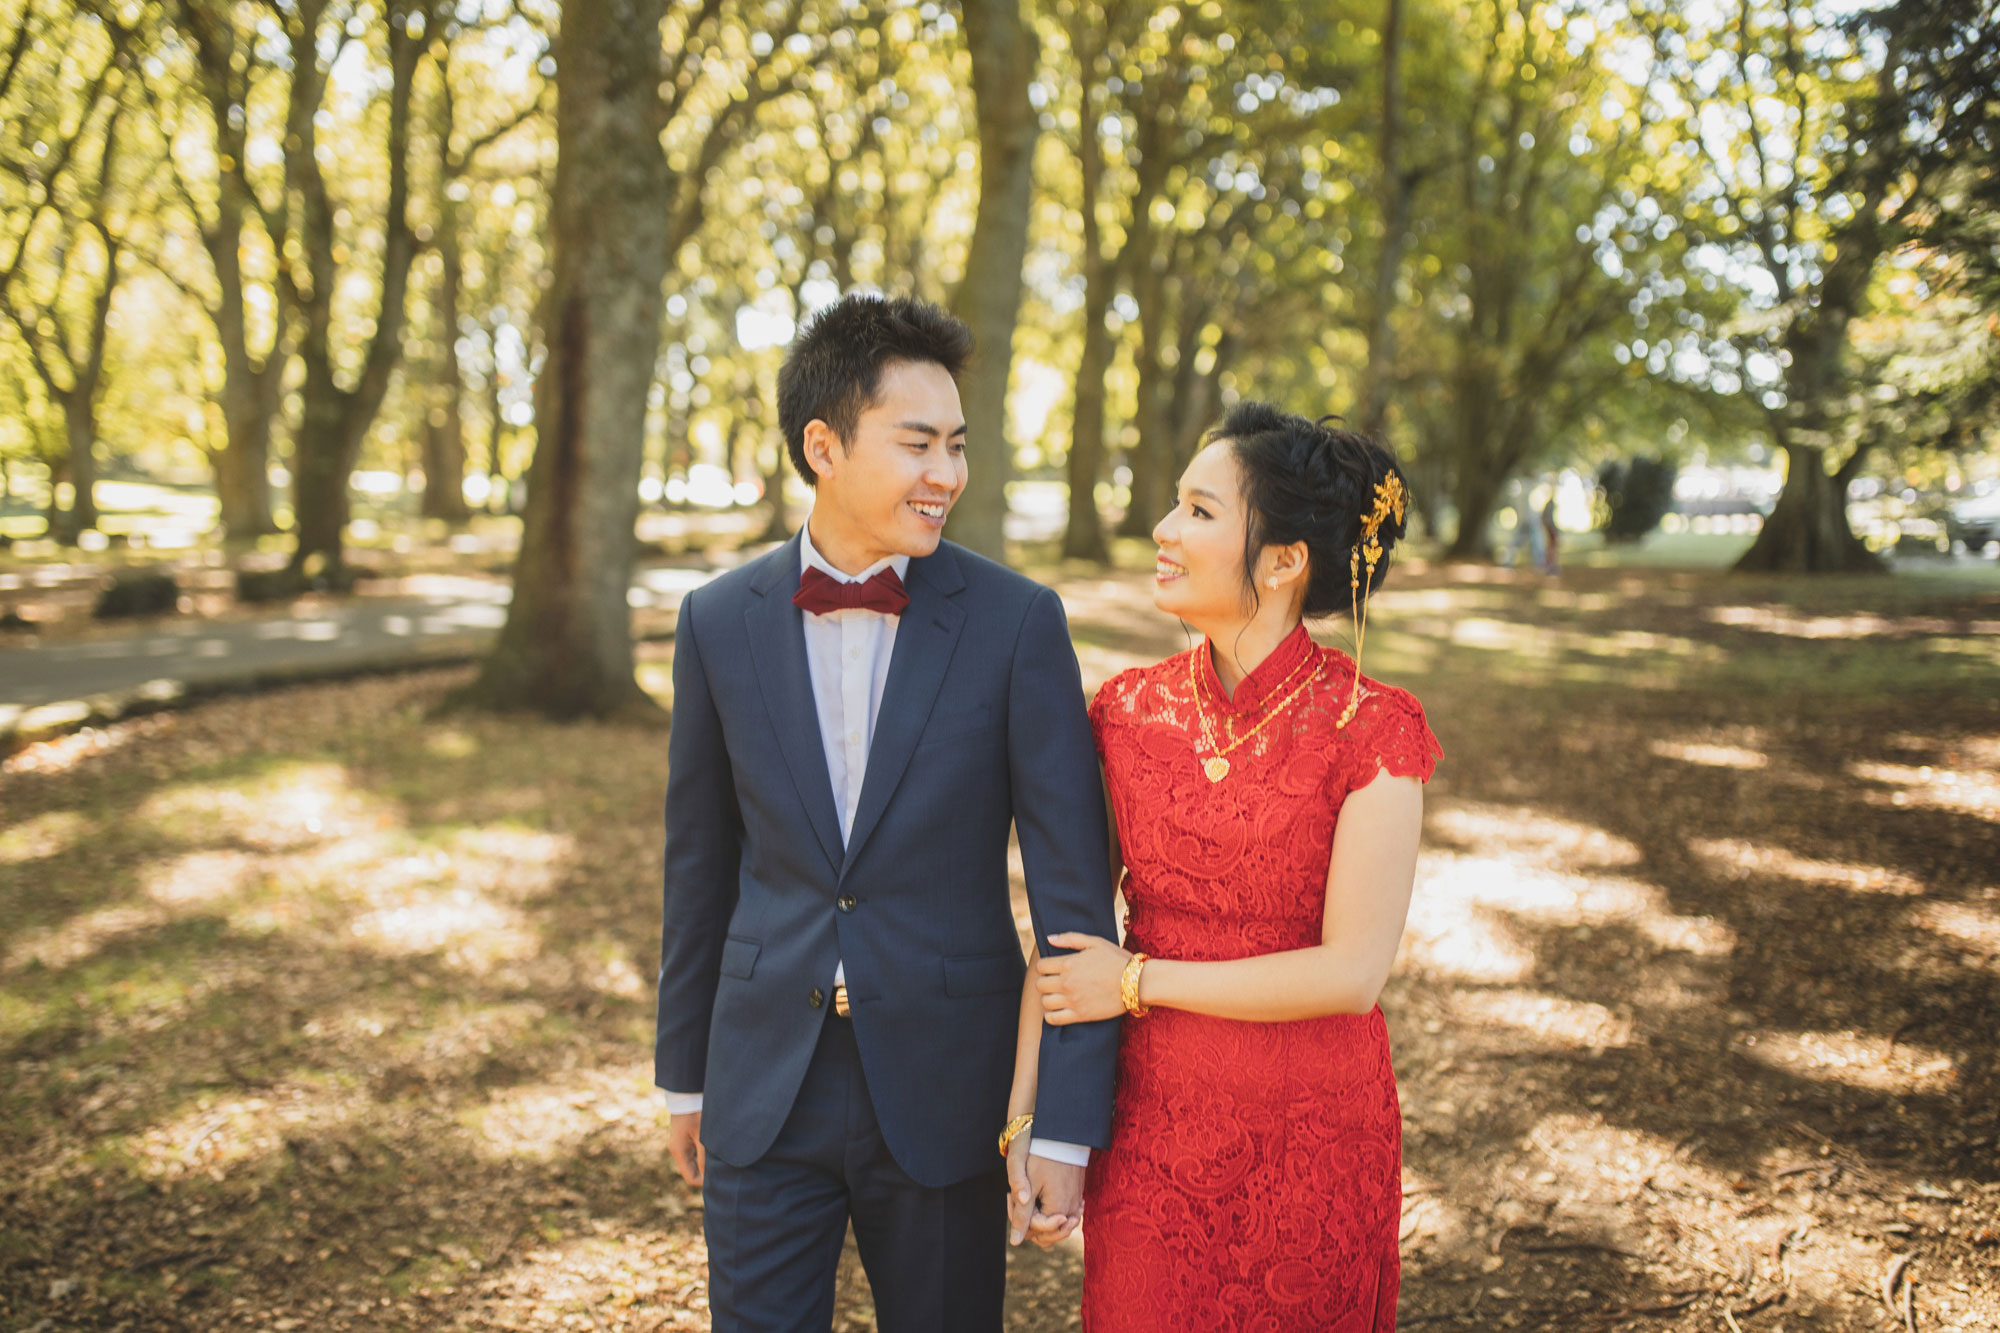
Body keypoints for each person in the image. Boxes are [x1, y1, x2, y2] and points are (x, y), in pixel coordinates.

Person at [654, 293, 1121, 1333]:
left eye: (956, 445)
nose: (946, 475)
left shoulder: (1016, 623)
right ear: (823, 445)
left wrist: (1065, 1127)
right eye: (917, 444)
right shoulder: (715, 621)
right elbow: (699, 866)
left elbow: (1072, 895)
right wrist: (682, 1073)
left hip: (949, 1090)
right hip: (760, 1081)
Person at [1014, 403, 1439, 1329]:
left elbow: (1352, 972)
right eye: (1176, 506)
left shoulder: (1373, 728)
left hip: (1313, 1137)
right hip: (1151, 1133)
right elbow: (1065, 935)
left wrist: (1134, 979)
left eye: (1200, 512)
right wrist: (1032, 1120)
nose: (1164, 531)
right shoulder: (1125, 712)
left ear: (1284, 560)